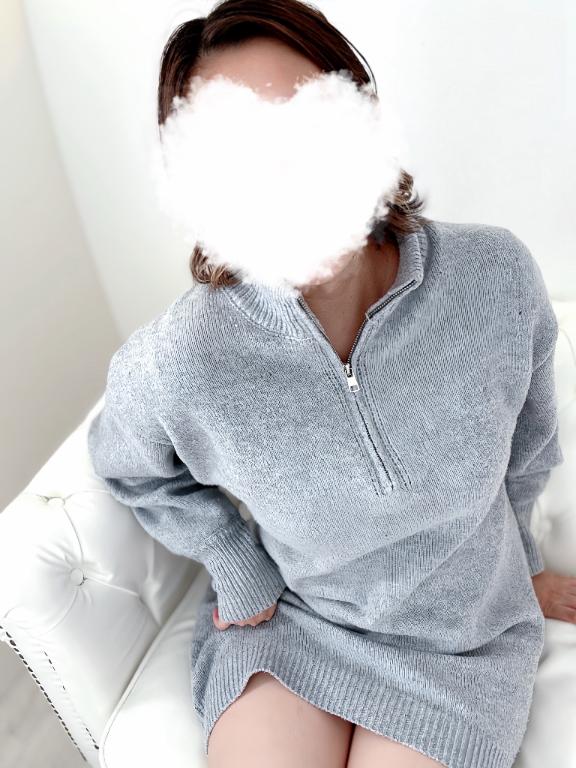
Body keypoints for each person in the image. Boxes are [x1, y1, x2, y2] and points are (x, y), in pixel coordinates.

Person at [88, 2, 572, 767]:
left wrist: (525, 568)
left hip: (461, 644)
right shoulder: (184, 358)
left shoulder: (494, 277)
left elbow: (529, 448)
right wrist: (233, 559)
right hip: (296, 624)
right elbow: (129, 464)